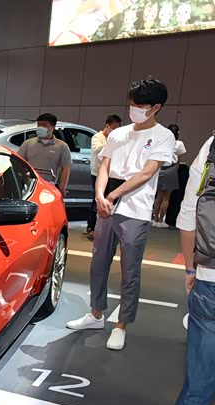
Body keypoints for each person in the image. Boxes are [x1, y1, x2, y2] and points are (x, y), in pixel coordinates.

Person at [66, 79, 175, 351]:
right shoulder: (118, 134)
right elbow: (104, 167)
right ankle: (95, 314)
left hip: (135, 210)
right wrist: (100, 196)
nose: (134, 109)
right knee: (98, 262)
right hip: (107, 205)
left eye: (140, 105)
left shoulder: (163, 136)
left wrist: (112, 195)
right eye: (132, 104)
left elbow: (147, 173)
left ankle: (121, 325)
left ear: (156, 107)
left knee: (130, 269)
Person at [160, 132, 215, 405]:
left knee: (198, 387)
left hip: (211, 281)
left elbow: (188, 215)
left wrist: (192, 270)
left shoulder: (213, 145)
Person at [17, 113, 72, 197]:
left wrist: (62, 188)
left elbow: (66, 168)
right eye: (39, 124)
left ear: (53, 127)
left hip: (49, 186)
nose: (40, 127)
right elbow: (18, 162)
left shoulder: (62, 146)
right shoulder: (28, 144)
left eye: (44, 125)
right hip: (30, 185)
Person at [86, 114, 122, 240]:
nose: (115, 131)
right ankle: (91, 227)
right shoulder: (98, 137)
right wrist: (111, 142)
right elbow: (97, 149)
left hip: (109, 173)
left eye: (117, 128)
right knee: (97, 199)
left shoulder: (115, 139)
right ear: (107, 126)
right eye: (113, 128)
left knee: (105, 199)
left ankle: (101, 227)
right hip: (97, 173)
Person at [153, 123, 186, 228]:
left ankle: (155, 220)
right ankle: (161, 220)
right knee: (166, 198)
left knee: (158, 196)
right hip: (171, 169)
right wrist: (175, 170)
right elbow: (179, 160)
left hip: (160, 168)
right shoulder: (179, 143)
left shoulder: (163, 141)